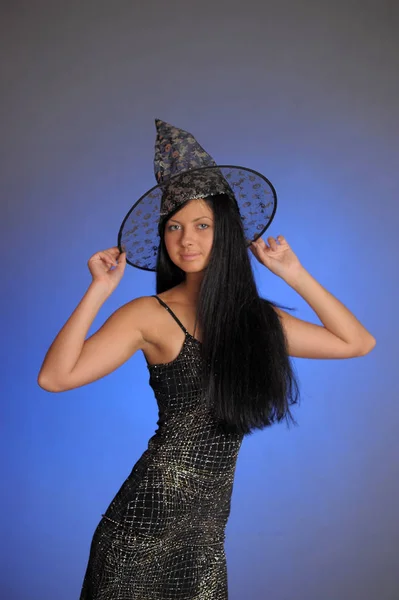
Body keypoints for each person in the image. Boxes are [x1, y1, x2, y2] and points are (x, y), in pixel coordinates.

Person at [38, 120, 376, 599]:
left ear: (226, 233)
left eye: (202, 225)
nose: (186, 240)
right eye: (173, 227)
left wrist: (294, 273)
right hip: (139, 529)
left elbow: (356, 342)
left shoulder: (254, 322)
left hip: (204, 540)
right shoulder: (148, 315)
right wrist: (98, 291)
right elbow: (55, 378)